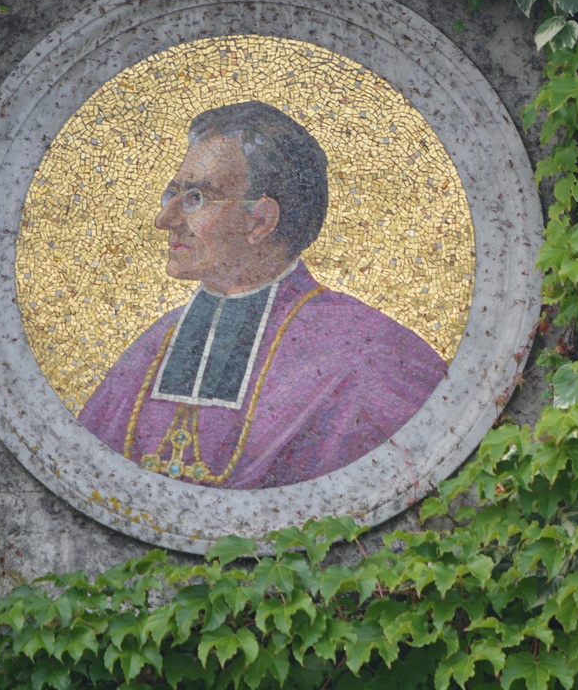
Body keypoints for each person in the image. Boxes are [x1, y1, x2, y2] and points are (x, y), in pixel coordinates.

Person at [78, 101, 447, 489]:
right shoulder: (155, 344)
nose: (164, 220)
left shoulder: (370, 353)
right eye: (171, 194)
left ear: (260, 220)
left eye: (195, 198)